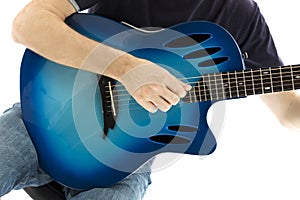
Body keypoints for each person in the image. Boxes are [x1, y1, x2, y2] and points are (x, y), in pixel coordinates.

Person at [1, 0, 300, 199]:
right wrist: (127, 69)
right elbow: (28, 24)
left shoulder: (241, 14)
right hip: (44, 117)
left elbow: (288, 110)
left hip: (126, 160)